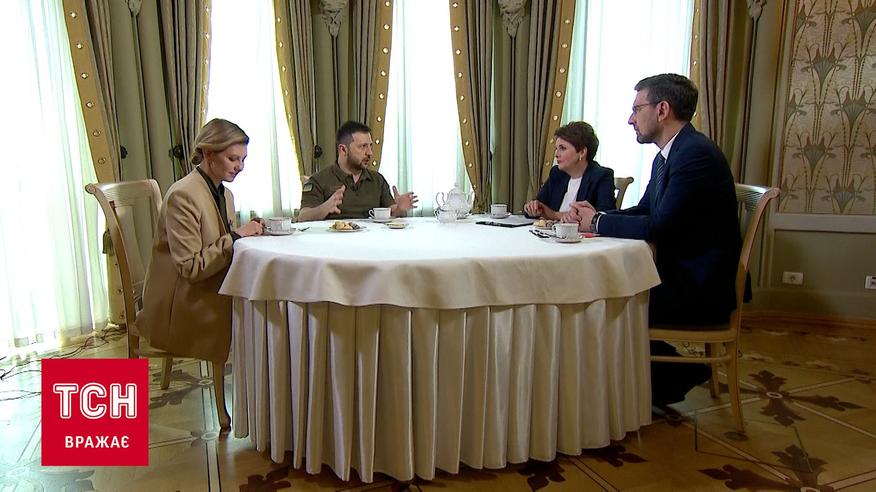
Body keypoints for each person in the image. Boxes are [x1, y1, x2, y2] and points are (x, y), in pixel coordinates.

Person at [566, 74, 742, 405]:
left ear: (662, 110)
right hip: (683, 276)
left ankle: (655, 384)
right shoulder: (670, 154)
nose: (630, 119)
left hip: (699, 287)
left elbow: (658, 227)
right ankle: (646, 385)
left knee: (599, 299)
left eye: (637, 109)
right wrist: (598, 214)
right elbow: (645, 210)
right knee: (601, 291)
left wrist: (598, 222)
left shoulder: (694, 155)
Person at [136, 118, 263, 404]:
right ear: (208, 153)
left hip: (204, 284)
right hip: (180, 301)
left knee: (262, 305)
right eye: (232, 158)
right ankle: (257, 401)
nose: (239, 167)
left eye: (243, 160)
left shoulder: (224, 194)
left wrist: (244, 234)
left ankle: (262, 399)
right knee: (260, 314)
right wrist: (236, 236)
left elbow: (220, 243)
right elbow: (191, 268)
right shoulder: (184, 195)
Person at [298, 121, 418, 221]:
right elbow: (302, 217)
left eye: (370, 146)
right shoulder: (319, 180)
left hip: (372, 240)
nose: (370, 152)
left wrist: (399, 209)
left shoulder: (377, 180)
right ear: (343, 150)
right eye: (363, 146)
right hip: (334, 241)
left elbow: (391, 212)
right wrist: (325, 208)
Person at [523, 121, 616, 220]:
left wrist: (554, 215)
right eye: (556, 149)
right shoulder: (557, 173)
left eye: (562, 148)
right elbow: (539, 205)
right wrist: (532, 208)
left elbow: (604, 218)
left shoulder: (601, 176)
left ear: (582, 152)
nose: (556, 154)